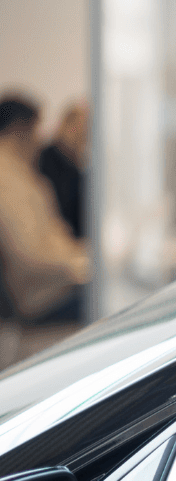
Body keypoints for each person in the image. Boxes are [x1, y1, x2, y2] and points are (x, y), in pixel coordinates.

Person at [0, 94, 88, 321]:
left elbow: (52, 236)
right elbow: (29, 255)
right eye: (36, 130)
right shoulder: (7, 179)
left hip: (56, 286)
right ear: (20, 130)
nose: (40, 139)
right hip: (45, 299)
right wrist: (79, 264)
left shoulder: (21, 172)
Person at [37, 99, 88, 238]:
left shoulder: (75, 167)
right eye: (80, 130)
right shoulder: (45, 159)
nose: (82, 137)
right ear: (67, 125)